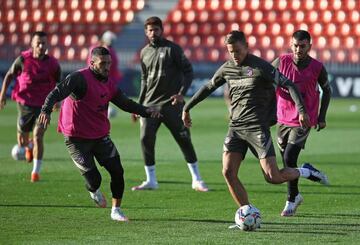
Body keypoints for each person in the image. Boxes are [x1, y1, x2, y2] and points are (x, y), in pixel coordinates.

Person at [182, 30, 329, 218]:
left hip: (257, 128)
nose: (234, 55)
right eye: (230, 51)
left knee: (273, 177)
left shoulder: (261, 67)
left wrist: (301, 110)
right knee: (228, 172)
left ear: (247, 47)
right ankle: (247, 212)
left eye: (238, 51)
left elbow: (289, 85)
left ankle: (305, 172)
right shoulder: (227, 68)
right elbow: (208, 87)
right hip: (235, 128)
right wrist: (187, 108)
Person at [38, 47, 161, 222]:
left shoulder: (108, 83)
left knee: (117, 171)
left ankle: (116, 210)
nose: (107, 67)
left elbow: (125, 103)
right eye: (103, 63)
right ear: (92, 63)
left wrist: (146, 111)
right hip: (76, 139)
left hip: (100, 135)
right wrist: (46, 110)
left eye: (109, 63)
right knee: (94, 180)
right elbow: (57, 92)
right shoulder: (78, 79)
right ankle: (93, 191)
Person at [131, 16, 208, 192]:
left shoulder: (173, 49)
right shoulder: (144, 52)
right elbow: (144, 81)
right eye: (150, 30)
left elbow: (188, 72)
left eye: (156, 29)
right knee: (145, 140)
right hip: (150, 106)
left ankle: (197, 179)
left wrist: (181, 94)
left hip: (171, 105)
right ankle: (151, 180)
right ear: (146, 32)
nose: (153, 33)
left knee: (183, 139)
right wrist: (139, 106)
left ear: (162, 30)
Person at [272, 30, 331, 217]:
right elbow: (266, 80)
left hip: (304, 118)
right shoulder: (281, 62)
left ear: (310, 46)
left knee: (289, 158)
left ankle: (290, 199)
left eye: (303, 46)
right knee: (287, 161)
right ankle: (303, 179)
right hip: (282, 117)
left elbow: (327, 91)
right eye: (295, 45)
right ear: (291, 44)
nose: (298, 49)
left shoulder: (317, 67)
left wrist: (321, 117)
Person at [0, 31, 61, 182]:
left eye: (44, 43)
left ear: (47, 45)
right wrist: (2, 94)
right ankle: (28, 146)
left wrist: (57, 100)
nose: (41, 46)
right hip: (25, 104)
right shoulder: (23, 59)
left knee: (38, 135)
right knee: (22, 141)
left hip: (44, 106)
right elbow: (9, 75)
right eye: (38, 43)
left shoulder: (53, 63)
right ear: (32, 44)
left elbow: (60, 83)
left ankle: (35, 171)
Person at [87, 31, 123, 118]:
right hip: (98, 78)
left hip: (107, 79)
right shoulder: (96, 50)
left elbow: (113, 67)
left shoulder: (111, 52)